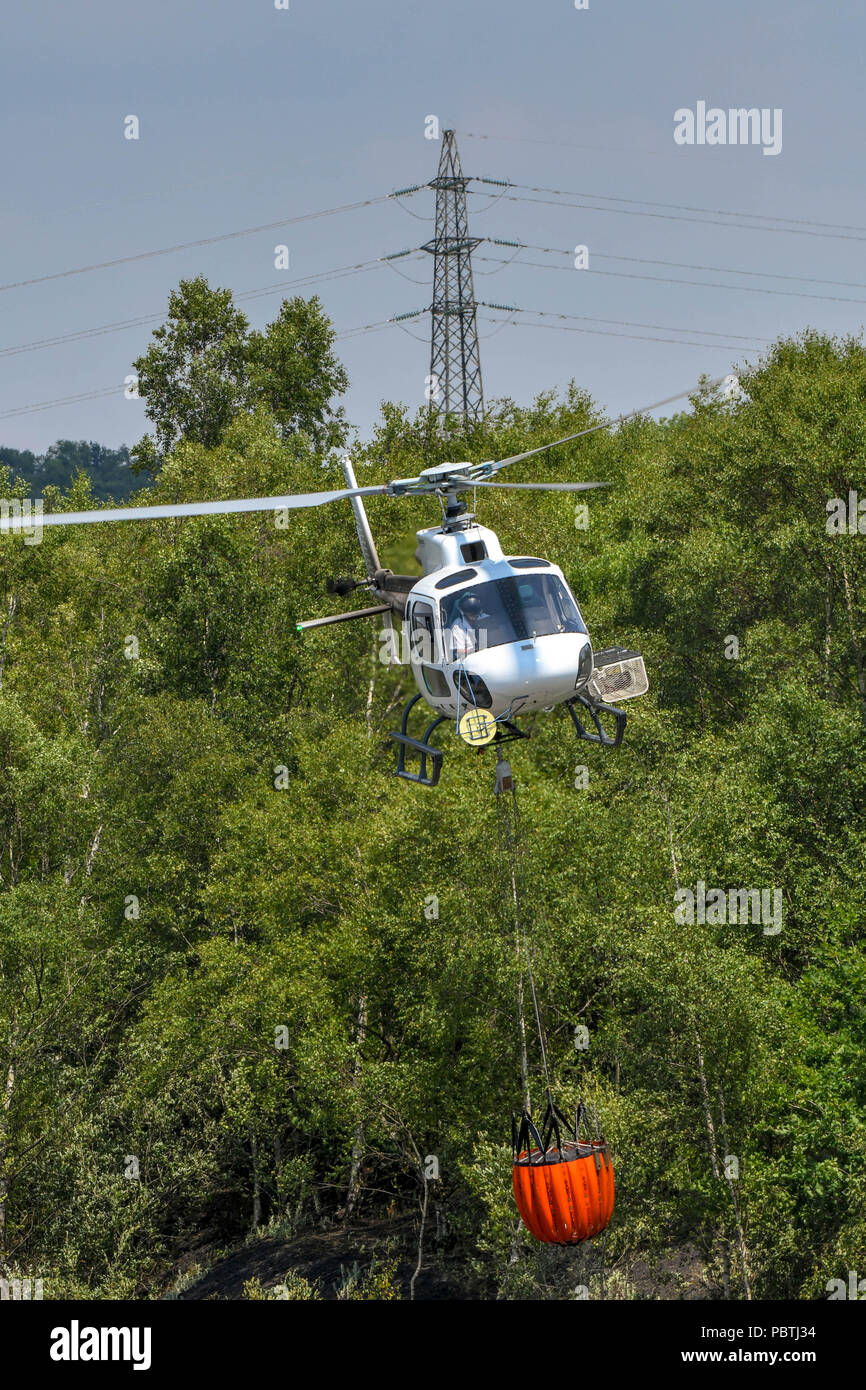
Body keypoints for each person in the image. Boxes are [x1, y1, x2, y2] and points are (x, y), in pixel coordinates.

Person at [450, 593, 484, 660]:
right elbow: (459, 653)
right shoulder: (457, 627)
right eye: (470, 612)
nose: (473, 615)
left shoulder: (485, 617)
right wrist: (476, 651)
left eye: (475, 612)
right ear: (462, 611)